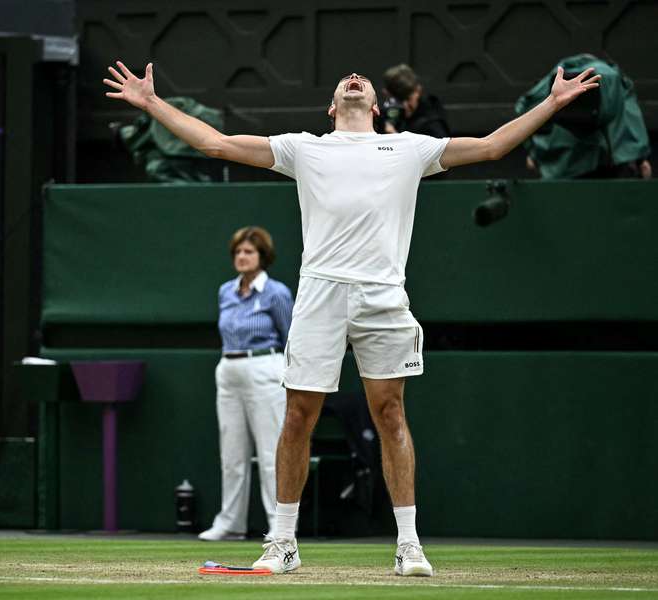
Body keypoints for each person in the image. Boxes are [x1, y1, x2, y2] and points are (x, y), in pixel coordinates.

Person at [103, 60, 599, 575]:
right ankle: (283, 543)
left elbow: (494, 146)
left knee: (390, 415)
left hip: (384, 296)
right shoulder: (304, 147)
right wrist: (151, 104)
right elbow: (217, 144)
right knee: (298, 415)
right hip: (320, 293)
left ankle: (409, 545)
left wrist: (553, 103)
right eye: (345, 81)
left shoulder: (411, 148)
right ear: (333, 106)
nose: (354, 76)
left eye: (361, 80)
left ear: (377, 106)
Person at [199, 227, 293, 542]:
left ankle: (279, 525)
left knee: (270, 452)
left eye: (249, 252)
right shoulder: (225, 291)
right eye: (238, 252)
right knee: (232, 453)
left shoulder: (276, 292)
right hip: (229, 368)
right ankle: (231, 522)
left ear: (262, 257)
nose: (242, 257)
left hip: (265, 365)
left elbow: (290, 334)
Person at [516, 54, 651, 180]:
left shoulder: (553, 81)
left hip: (566, 168)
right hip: (596, 167)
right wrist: (639, 159)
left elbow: (524, 107)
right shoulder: (615, 81)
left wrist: (533, 153)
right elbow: (631, 123)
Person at [380, 64, 450, 138]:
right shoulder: (396, 115)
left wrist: (394, 135)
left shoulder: (431, 122)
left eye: (407, 98)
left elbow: (442, 147)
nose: (404, 106)